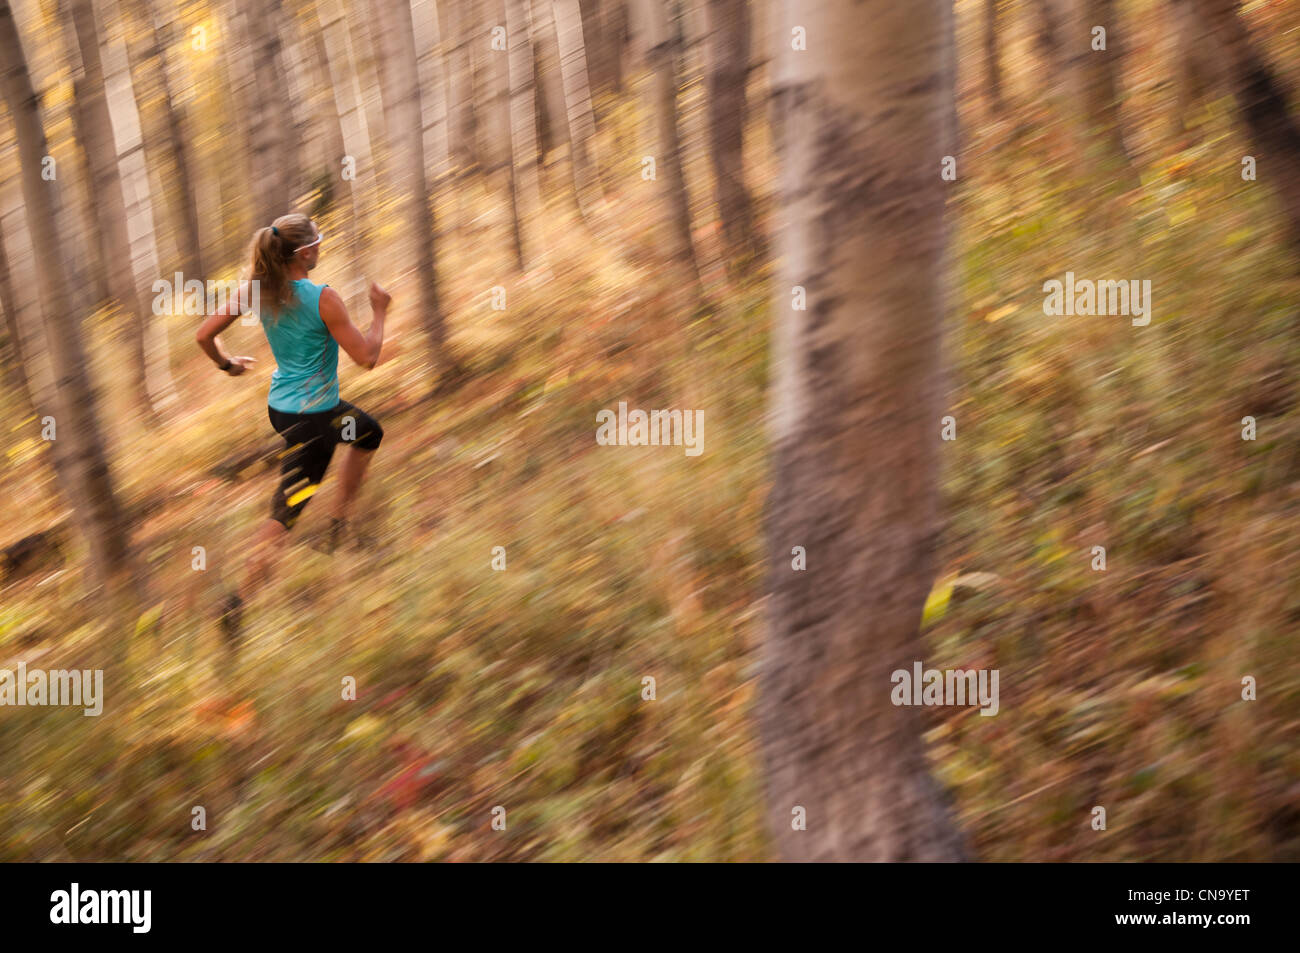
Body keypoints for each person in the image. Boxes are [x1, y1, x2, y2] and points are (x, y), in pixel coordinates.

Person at [195, 212, 390, 649]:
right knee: (286, 512)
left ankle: (338, 526)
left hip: (284, 409)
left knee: (367, 432)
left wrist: (227, 365)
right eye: (317, 242)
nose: (321, 247)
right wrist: (379, 313)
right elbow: (368, 357)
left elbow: (203, 334)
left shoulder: (257, 289)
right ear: (303, 253)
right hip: (315, 420)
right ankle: (237, 606)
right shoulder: (324, 298)